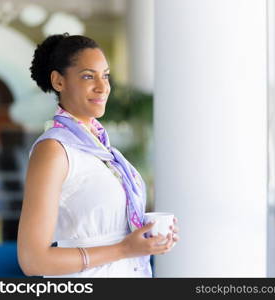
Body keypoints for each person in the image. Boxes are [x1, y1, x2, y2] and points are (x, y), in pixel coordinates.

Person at [17, 33, 179, 278]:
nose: (102, 87)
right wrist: (124, 248)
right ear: (58, 81)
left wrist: (147, 236)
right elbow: (33, 261)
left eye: (105, 75)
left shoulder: (104, 150)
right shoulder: (54, 149)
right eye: (88, 76)